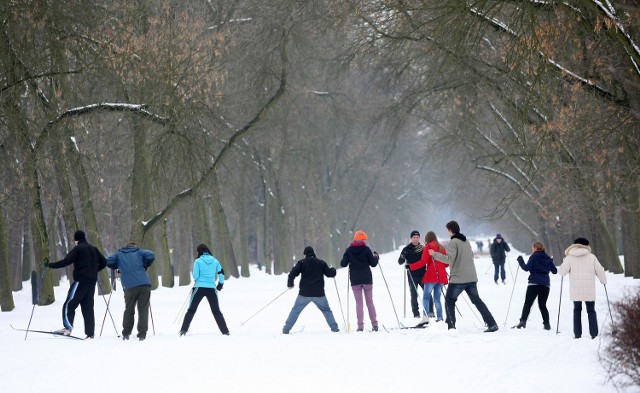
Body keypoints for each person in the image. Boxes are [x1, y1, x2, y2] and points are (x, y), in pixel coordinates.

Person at [429, 221, 499, 332]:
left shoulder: (453, 242)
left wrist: (434, 254)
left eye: (447, 230)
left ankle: (451, 326)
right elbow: (471, 255)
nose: (447, 232)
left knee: (449, 300)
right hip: (471, 277)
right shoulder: (466, 241)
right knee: (477, 301)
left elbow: (449, 259)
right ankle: (492, 324)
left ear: (451, 230)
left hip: (458, 278)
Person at [45, 230, 107, 338]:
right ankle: (90, 333)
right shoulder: (94, 249)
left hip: (80, 281)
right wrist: (94, 270)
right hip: (91, 283)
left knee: (69, 304)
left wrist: (49, 265)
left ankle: (67, 328)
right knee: (88, 308)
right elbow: (104, 262)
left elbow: (66, 261)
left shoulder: (78, 249)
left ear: (76, 240)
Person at [282, 246, 340, 334]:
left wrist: (290, 284)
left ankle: (286, 329)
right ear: (313, 253)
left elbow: (292, 273)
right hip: (319, 293)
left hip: (304, 294)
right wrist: (333, 270)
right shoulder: (321, 262)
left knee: (295, 310)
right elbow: (330, 274)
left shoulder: (302, 262)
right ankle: (334, 328)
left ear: (305, 254)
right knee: (326, 310)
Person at [558, 238, 607, 339]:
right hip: (589, 288)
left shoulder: (569, 257)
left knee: (577, 310)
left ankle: (577, 334)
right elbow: (600, 271)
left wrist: (563, 262)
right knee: (591, 310)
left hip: (576, 288)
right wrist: (603, 281)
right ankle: (594, 334)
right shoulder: (592, 257)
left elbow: (562, 273)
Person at [106, 242, 155, 341]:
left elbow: (108, 260)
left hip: (129, 286)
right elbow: (151, 255)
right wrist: (145, 264)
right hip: (144, 284)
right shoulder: (139, 252)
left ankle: (126, 333)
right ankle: (142, 334)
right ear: (135, 246)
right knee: (143, 310)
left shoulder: (119, 254)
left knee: (129, 310)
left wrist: (116, 266)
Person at [179, 244, 229, 336]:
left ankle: (183, 330)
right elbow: (221, 273)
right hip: (211, 289)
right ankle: (225, 331)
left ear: (199, 251)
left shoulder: (197, 261)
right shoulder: (215, 261)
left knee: (191, 310)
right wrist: (220, 284)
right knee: (216, 311)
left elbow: (195, 276)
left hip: (199, 288)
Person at [341, 229, 380, 332]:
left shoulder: (349, 250)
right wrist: (376, 257)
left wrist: (346, 255)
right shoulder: (366, 249)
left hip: (355, 280)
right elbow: (373, 264)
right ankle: (374, 324)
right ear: (362, 239)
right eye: (364, 239)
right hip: (367, 279)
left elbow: (343, 264)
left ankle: (360, 326)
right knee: (370, 302)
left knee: (359, 303)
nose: (365, 241)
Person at [514, 241, 557, 330]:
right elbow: (555, 271)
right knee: (542, 305)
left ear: (536, 248)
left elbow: (526, 268)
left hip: (534, 284)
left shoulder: (533, 257)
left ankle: (522, 322)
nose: (532, 250)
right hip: (545, 285)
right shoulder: (548, 258)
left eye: (532, 248)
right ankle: (547, 324)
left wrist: (520, 260)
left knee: (528, 303)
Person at [409, 231, 448, 327]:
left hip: (431, 274)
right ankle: (440, 318)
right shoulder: (441, 247)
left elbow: (423, 261)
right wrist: (440, 266)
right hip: (441, 276)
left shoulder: (428, 247)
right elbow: (446, 263)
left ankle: (425, 318)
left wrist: (412, 266)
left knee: (426, 297)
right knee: (437, 299)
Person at [398, 230, 434, 318]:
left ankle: (431, 312)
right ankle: (416, 314)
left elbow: (428, 259)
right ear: (411, 238)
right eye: (414, 237)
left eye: (417, 237)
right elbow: (400, 262)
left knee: (428, 293)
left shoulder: (422, 248)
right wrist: (402, 257)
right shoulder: (406, 249)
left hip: (423, 274)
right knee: (414, 295)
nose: (416, 239)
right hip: (412, 275)